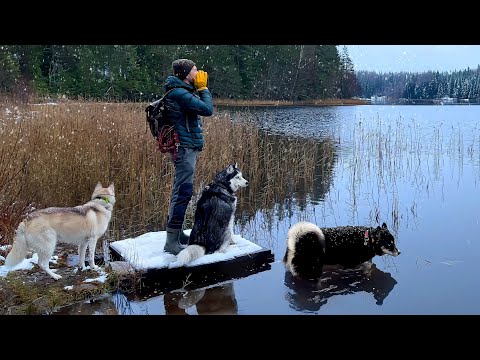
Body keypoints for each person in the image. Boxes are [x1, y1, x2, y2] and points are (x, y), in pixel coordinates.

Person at [163, 58, 213, 255]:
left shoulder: (181, 91)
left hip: (185, 147)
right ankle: (171, 242)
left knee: (180, 191)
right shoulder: (179, 93)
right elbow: (207, 109)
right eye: (194, 70)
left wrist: (197, 89)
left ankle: (176, 234)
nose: (198, 73)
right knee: (182, 192)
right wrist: (204, 89)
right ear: (185, 74)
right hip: (184, 148)